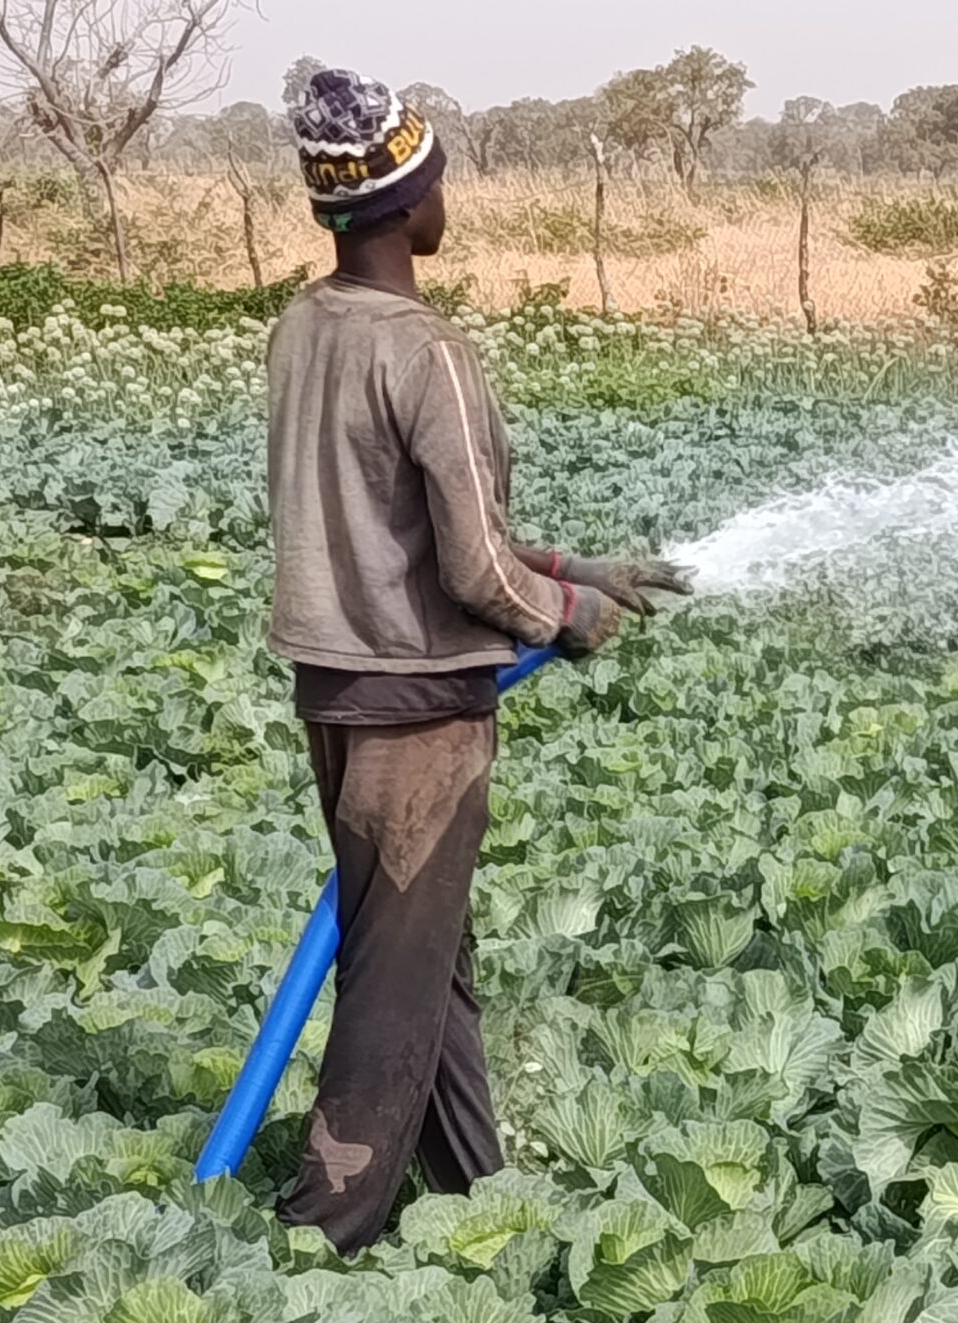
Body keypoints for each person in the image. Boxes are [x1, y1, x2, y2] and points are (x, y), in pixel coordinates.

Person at [265, 69, 690, 1254]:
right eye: (438, 175)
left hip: (335, 687)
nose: (451, 193)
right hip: (419, 708)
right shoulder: (429, 351)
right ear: (404, 205)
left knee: (425, 950)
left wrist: (575, 562)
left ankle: (476, 1199)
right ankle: (322, 1229)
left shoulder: (306, 327)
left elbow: (398, 515)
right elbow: (471, 577)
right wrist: (563, 613)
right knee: (394, 983)